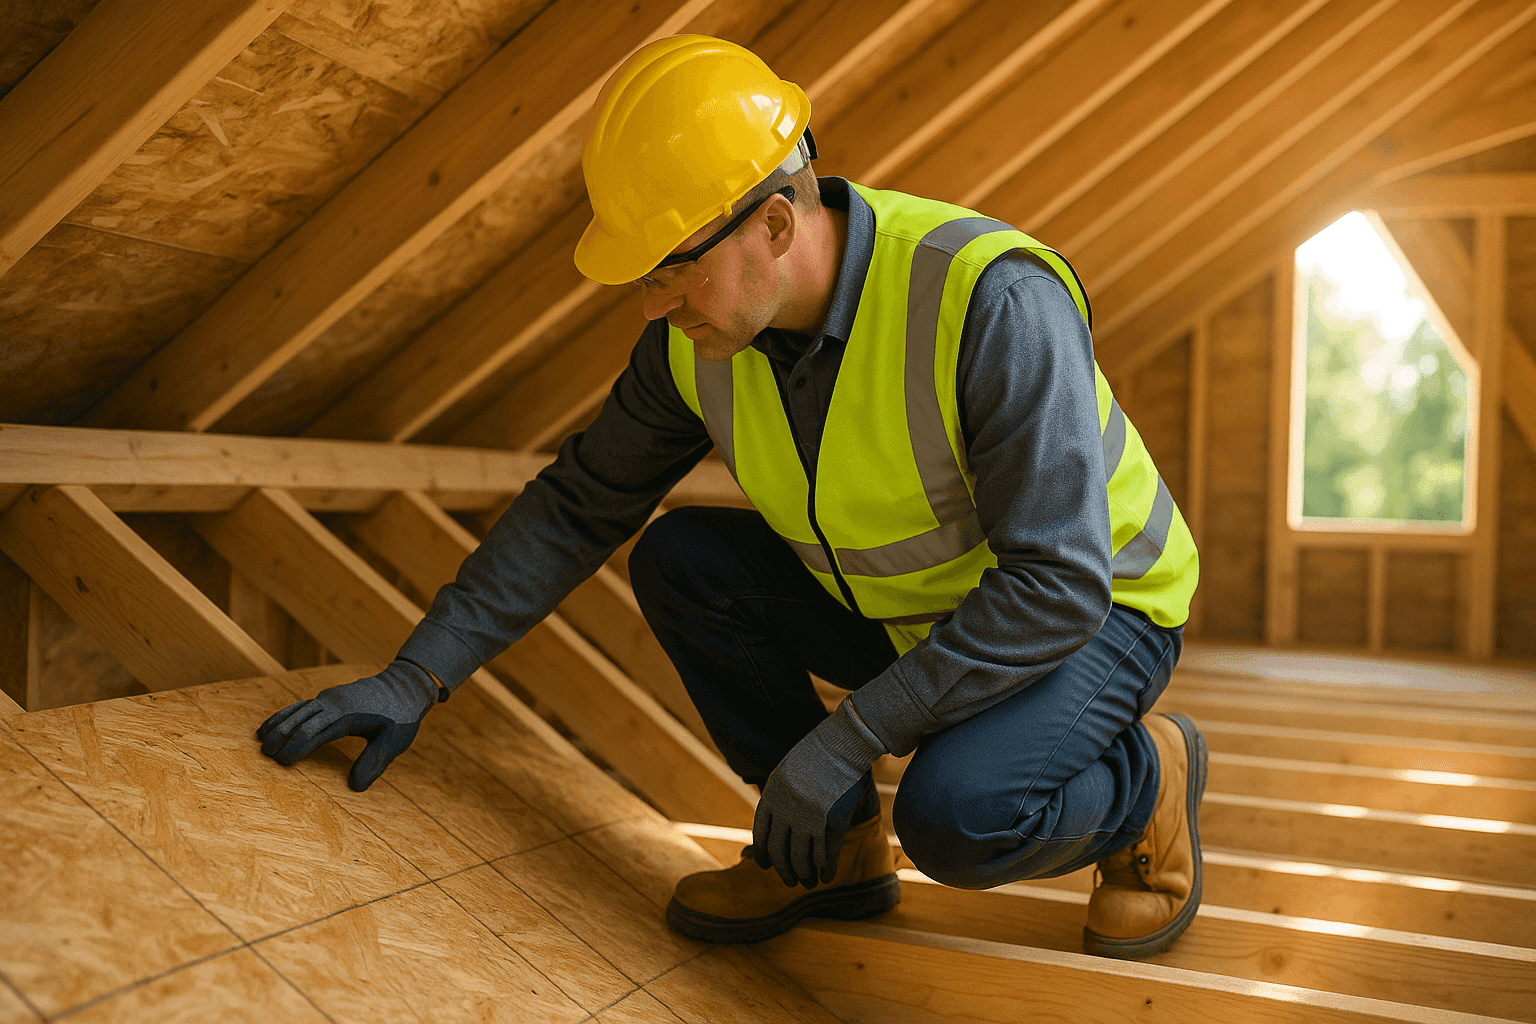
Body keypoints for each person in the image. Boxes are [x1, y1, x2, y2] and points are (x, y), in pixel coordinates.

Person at [255, 34, 1203, 960]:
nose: (653, 302)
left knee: (957, 816)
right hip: (918, 614)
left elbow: (1056, 583)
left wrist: (849, 737)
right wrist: (418, 673)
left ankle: (1143, 785)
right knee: (683, 561)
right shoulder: (695, 340)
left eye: (672, 266)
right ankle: (829, 851)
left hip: (1095, 610)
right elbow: (580, 503)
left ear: (777, 225)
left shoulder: (986, 297)